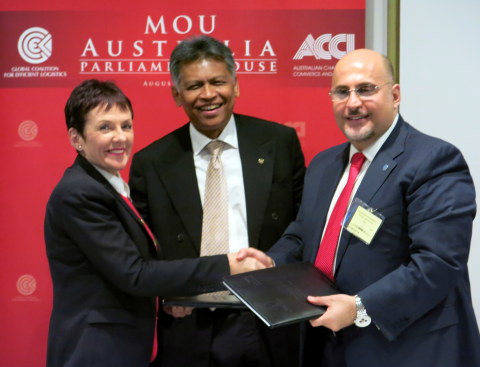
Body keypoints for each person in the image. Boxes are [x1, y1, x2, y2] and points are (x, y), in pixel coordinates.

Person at [240, 48, 480, 367]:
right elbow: (302, 236)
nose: (353, 103)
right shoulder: (324, 164)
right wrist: (272, 261)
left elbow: (437, 263)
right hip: (326, 344)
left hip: (406, 348)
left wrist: (360, 307)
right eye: (342, 92)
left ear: (395, 95)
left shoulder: (434, 160)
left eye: (366, 89)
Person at [44, 79, 269, 367]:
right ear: (76, 138)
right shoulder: (81, 192)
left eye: (126, 126)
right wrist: (228, 266)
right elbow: (134, 274)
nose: (120, 137)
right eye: (105, 127)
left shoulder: (105, 184)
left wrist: (172, 294)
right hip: (96, 351)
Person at [129, 35, 305, 367]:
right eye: (194, 85)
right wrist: (166, 292)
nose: (208, 94)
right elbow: (142, 251)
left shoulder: (280, 143)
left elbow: (303, 226)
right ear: (176, 94)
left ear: (235, 85)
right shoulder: (150, 162)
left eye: (218, 82)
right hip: (186, 321)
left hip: (266, 317)